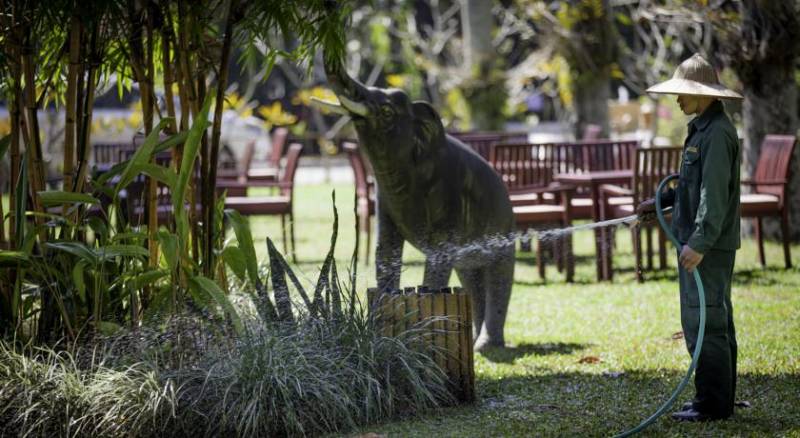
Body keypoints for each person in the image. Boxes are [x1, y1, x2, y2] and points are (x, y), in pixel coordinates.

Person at [637, 53, 744, 422]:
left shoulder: (717, 134)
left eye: (683, 93)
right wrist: (660, 201)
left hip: (708, 245)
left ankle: (712, 406)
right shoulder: (701, 128)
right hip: (704, 241)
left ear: (705, 94)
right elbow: (691, 185)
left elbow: (713, 196)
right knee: (710, 319)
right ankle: (716, 398)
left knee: (707, 321)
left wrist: (698, 243)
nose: (677, 99)